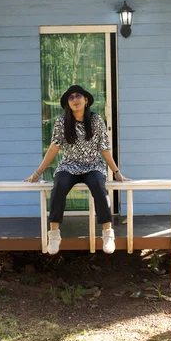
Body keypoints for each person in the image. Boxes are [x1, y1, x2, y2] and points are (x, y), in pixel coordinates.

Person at [24, 85, 129, 255]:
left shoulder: (96, 120)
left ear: (86, 100)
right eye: (70, 97)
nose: (75, 100)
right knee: (59, 185)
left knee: (98, 186)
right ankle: (54, 234)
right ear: (67, 103)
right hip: (69, 165)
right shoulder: (61, 122)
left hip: (93, 165)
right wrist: (37, 173)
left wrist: (116, 172)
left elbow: (104, 148)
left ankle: (107, 233)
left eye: (78, 95)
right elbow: (53, 148)